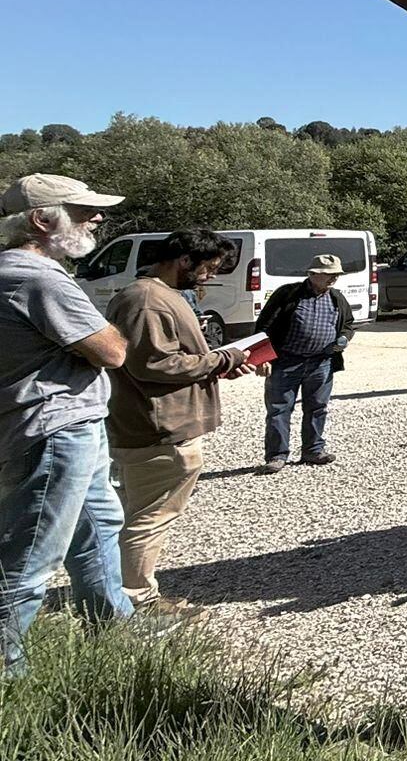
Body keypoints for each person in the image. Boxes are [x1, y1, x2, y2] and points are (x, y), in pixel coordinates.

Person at [0, 174, 135, 675]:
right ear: (41, 220)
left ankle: (113, 624)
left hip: (68, 420)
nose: (95, 218)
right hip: (54, 426)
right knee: (32, 551)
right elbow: (113, 351)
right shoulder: (37, 278)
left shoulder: (14, 271)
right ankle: (8, 672)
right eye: (82, 211)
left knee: (99, 525)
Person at [105, 229, 252, 616]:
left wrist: (217, 367)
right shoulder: (147, 300)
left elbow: (172, 360)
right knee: (149, 518)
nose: (209, 276)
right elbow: (153, 364)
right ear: (185, 261)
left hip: (163, 426)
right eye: (208, 268)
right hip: (158, 429)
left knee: (142, 514)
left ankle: (120, 593)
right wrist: (222, 359)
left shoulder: (158, 296)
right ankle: (137, 600)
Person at [254, 252, 354, 473]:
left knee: (318, 407)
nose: (333, 278)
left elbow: (348, 323)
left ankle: (313, 450)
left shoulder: (336, 297)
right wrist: (262, 358)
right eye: (329, 274)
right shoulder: (288, 295)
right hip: (286, 361)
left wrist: (344, 338)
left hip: (321, 362)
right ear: (312, 274)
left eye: (336, 274)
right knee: (279, 409)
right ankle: (277, 456)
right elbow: (264, 327)